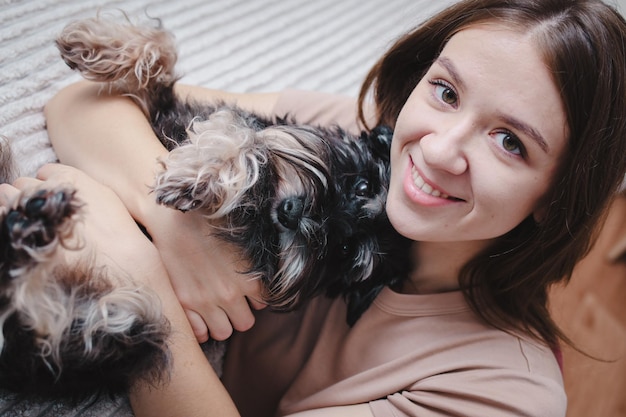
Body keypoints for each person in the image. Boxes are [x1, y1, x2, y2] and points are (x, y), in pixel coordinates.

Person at [5, 0, 626, 415]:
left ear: (560, 196)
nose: (439, 150)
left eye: (510, 142)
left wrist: (133, 279)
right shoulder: (348, 134)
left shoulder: (505, 390)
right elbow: (89, 101)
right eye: (445, 91)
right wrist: (171, 224)